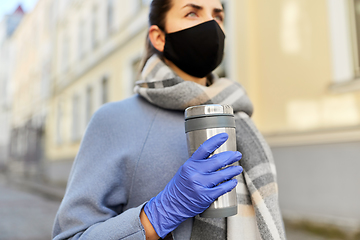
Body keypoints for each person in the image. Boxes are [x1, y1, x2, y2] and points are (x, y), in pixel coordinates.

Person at [52, 0, 286, 239]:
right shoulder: (115, 120)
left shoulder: (240, 114)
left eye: (218, 15)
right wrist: (161, 212)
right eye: (192, 13)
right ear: (159, 37)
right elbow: (72, 235)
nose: (211, 25)